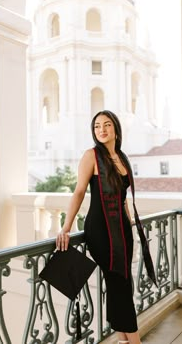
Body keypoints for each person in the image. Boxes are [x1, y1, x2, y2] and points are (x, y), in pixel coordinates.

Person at [56, 110, 155, 344]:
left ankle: (123, 340)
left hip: (122, 230)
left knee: (121, 284)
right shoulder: (91, 156)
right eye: (97, 126)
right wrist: (66, 227)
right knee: (119, 282)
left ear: (116, 130)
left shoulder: (122, 158)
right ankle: (135, 341)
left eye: (107, 125)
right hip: (101, 232)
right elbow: (79, 191)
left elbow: (123, 197)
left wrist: (128, 218)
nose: (101, 129)